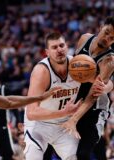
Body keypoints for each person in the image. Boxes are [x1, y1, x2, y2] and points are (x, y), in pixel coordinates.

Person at [61, 16, 114, 160]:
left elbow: (92, 96)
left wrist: (74, 119)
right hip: (76, 100)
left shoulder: (108, 61)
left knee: (83, 153)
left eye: (112, 38)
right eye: (107, 32)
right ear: (101, 27)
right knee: (62, 148)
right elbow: (73, 70)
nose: (107, 38)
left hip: (94, 109)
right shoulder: (85, 38)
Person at [24, 32, 82, 160]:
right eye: (54, 47)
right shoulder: (41, 71)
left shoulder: (78, 66)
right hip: (39, 124)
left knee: (74, 157)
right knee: (33, 156)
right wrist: (63, 112)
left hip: (64, 125)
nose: (59, 50)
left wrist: (107, 86)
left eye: (61, 45)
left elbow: (97, 85)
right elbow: (31, 112)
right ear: (47, 52)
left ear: (67, 47)